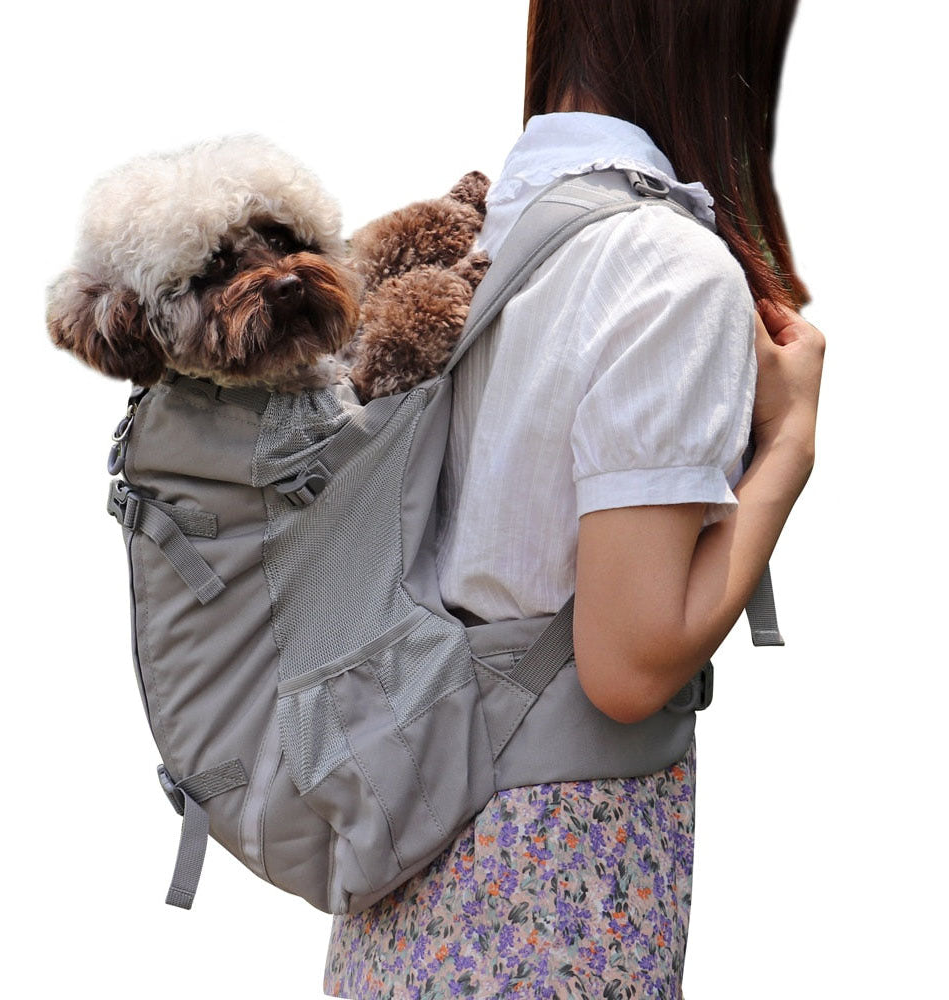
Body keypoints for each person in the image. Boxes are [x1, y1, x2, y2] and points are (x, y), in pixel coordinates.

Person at [323, 1, 824, 996]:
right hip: (551, 900)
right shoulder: (666, 270)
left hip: (399, 898)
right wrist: (790, 449)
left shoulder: (484, 237)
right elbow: (627, 663)